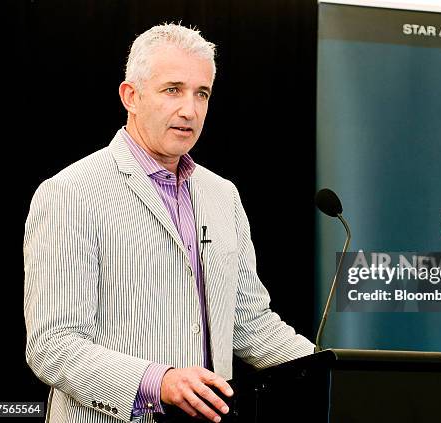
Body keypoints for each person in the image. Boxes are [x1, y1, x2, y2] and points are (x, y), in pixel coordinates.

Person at [23, 23, 314, 423]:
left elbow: (249, 324)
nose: (189, 110)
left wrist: (331, 369)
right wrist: (157, 382)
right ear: (132, 97)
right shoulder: (70, 192)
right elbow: (52, 345)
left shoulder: (222, 194)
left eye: (202, 94)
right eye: (172, 90)